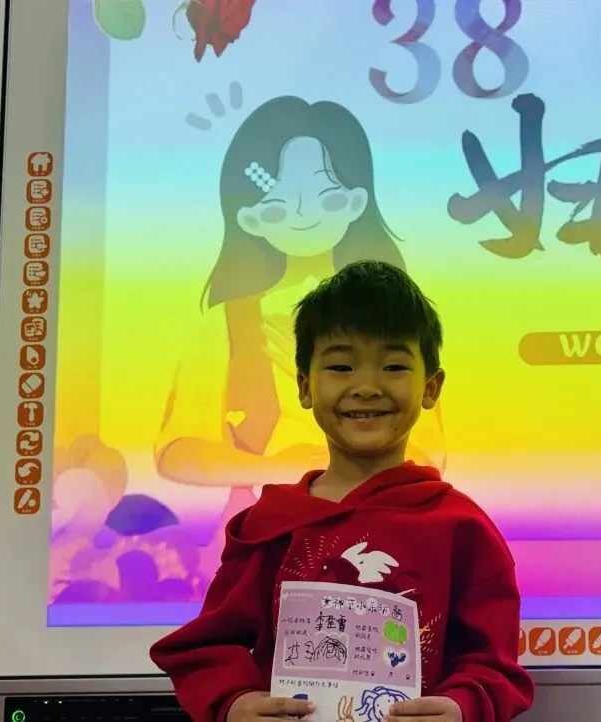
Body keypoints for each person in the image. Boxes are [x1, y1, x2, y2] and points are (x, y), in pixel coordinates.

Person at [150, 261, 533, 722]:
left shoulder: (460, 527)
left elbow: (493, 665)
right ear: (305, 387)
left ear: (431, 388)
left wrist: (461, 707)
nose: (366, 387)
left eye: (394, 366)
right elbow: (210, 645)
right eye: (340, 366)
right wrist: (234, 702)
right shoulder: (270, 523)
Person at [155, 97, 447, 575]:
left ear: (358, 200)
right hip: (265, 546)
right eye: (277, 203)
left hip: (387, 544)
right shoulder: (228, 321)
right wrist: (284, 469)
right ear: (248, 215)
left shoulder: (397, 318)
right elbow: (179, 451)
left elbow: (427, 453)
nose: (303, 213)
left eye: (327, 197)